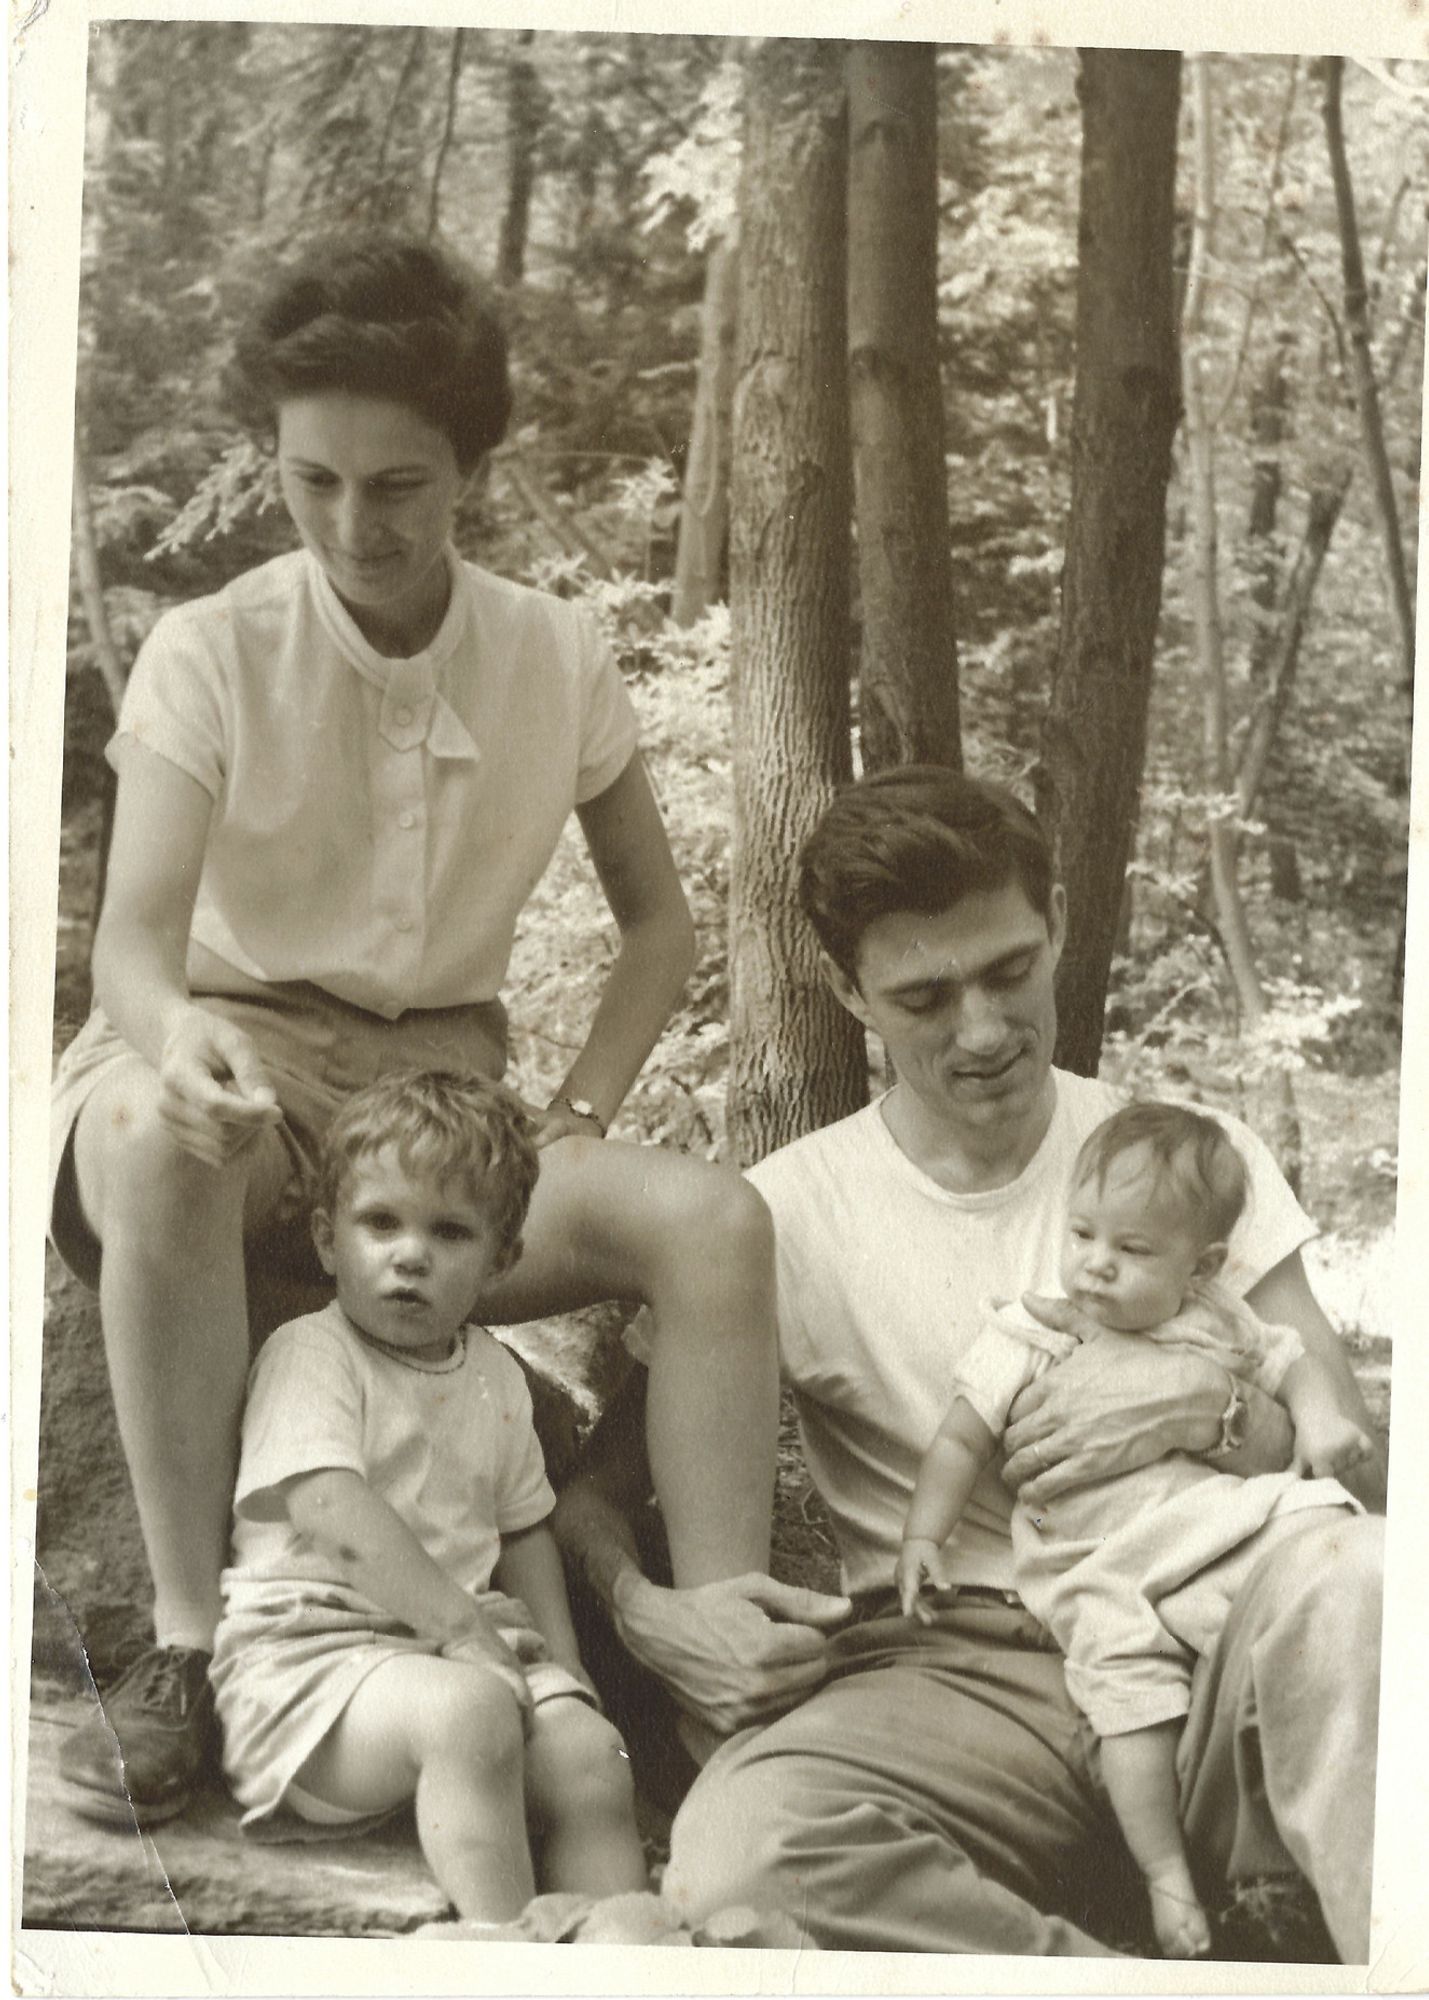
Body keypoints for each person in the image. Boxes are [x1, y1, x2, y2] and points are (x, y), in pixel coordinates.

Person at [50, 230, 778, 1827]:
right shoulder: (210, 647)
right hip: (229, 1050)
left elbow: (658, 925)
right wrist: (177, 1044)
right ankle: (194, 1652)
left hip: (449, 1103)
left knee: (714, 1219)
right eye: (313, 482)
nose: (353, 525)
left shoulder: (553, 651)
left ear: (472, 470)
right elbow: (134, 949)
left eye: (400, 485)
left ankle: (733, 1689)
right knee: (149, 1136)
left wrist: (579, 1106)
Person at [554, 764, 1386, 1960]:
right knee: (746, 1848)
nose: (984, 1030)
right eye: (925, 994)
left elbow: (1336, 1460)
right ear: (848, 990)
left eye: (1009, 970)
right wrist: (649, 1613)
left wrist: (1201, 1409)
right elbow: (593, 1490)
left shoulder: (1182, 1157)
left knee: (1366, 1583)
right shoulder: (782, 1213)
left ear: (1053, 930)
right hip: (959, 1673)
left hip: (1209, 1625)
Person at [896, 1100, 1373, 1957]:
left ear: (1203, 1265)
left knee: (1341, 1566)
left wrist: (1318, 1420)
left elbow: (1290, 1360)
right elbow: (961, 1436)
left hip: (1219, 1533)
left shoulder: (1217, 1317)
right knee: (1129, 1703)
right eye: (1081, 1236)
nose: (1095, 1268)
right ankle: (1166, 1879)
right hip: (1100, 1566)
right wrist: (921, 1537)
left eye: (1132, 1249)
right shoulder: (1032, 1332)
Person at [209, 1070, 646, 1919]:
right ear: (328, 1240)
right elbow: (328, 1507)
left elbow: (523, 1534)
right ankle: (502, 1949)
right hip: (310, 1671)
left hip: (461, 1655)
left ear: (501, 1261)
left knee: (593, 1755)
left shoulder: (494, 1377)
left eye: (450, 1232)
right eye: (380, 1224)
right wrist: (458, 1628)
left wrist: (566, 1669)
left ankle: (624, 1943)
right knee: (474, 1714)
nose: (410, 1254)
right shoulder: (315, 1354)